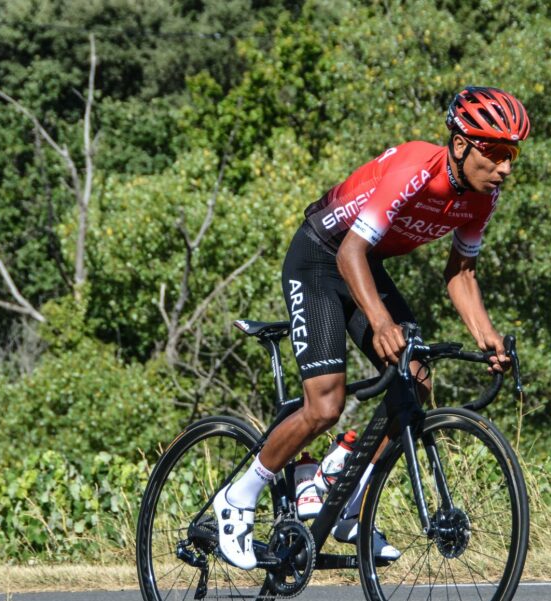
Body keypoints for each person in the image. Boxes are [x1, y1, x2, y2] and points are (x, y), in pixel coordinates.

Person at [213, 86, 530, 570]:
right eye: (497, 153)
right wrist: (380, 322)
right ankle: (238, 497)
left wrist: (485, 335)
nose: (505, 167)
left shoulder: (482, 199)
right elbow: (348, 252)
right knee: (325, 404)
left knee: (415, 379)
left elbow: (461, 272)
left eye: (513, 155)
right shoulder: (415, 170)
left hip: (363, 265)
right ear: (461, 144)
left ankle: (346, 498)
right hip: (320, 258)